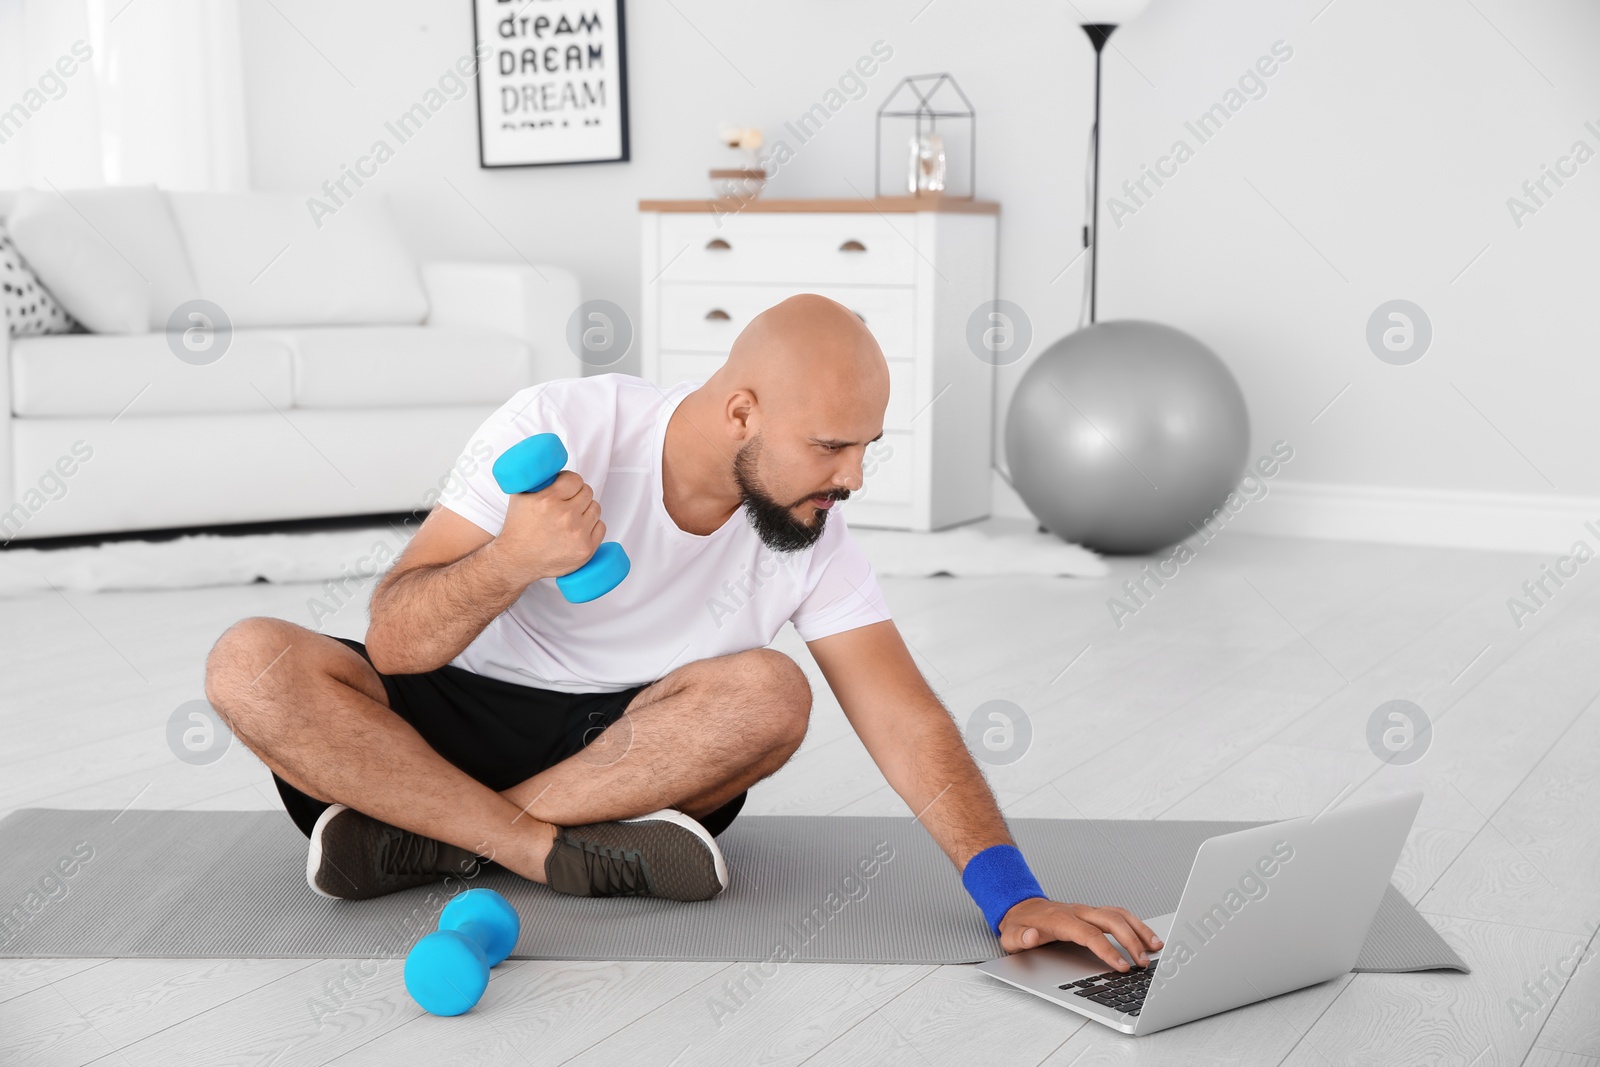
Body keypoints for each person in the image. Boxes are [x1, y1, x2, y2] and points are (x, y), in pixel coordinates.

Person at [204, 293, 1162, 970]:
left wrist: (1014, 895)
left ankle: (425, 838)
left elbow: (904, 716)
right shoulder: (561, 423)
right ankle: (529, 847)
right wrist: (509, 561)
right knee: (246, 660)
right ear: (741, 408)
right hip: (442, 722)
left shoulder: (815, 531)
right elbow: (400, 641)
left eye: (869, 447)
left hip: (629, 761)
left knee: (773, 693)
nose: (854, 477)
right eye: (832, 445)